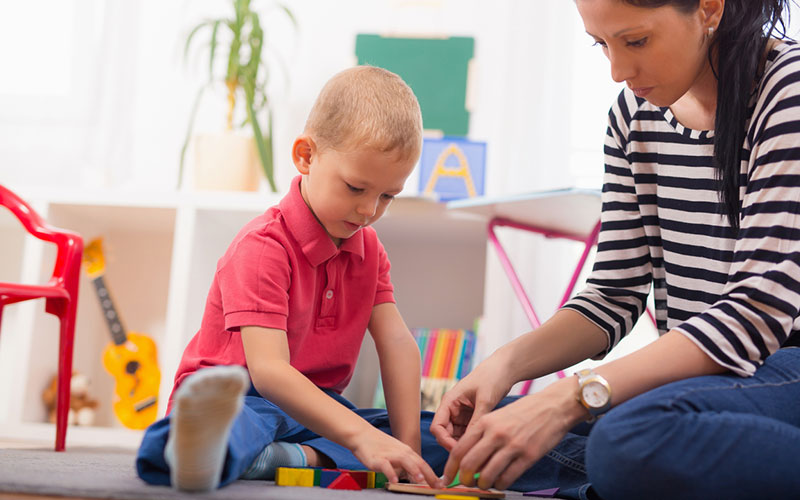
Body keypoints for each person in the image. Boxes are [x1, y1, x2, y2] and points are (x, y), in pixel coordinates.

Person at [431, 1, 800, 499]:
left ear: (710, 8)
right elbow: (613, 295)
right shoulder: (632, 116)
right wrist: (505, 364)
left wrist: (571, 397)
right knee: (430, 431)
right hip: (707, 390)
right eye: (601, 45)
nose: (618, 72)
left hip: (780, 371)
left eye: (636, 41)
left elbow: (756, 314)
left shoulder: (788, 88)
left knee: (626, 438)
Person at [136, 66, 447, 492]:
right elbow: (269, 372)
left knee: (443, 434)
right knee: (246, 423)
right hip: (248, 399)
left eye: (387, 195)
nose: (368, 210)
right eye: (356, 188)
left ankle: (286, 460)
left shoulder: (369, 249)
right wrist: (363, 437)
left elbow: (396, 344)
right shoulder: (263, 246)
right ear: (306, 156)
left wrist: (406, 449)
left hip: (318, 410)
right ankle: (198, 450)